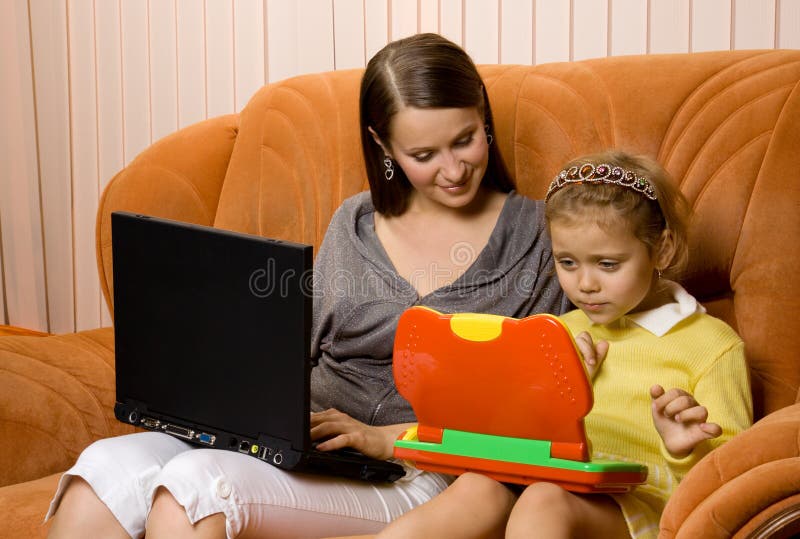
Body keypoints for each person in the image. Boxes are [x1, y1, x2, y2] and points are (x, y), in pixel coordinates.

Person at [45, 33, 570, 539]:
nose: (454, 170)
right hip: (313, 441)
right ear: (382, 144)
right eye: (424, 155)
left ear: (484, 116)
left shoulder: (540, 239)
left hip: (419, 471)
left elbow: (539, 414)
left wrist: (387, 439)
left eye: (465, 140)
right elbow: (292, 353)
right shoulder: (355, 223)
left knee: (197, 486)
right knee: (105, 468)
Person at [375, 150, 753, 539]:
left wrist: (682, 448)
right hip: (544, 483)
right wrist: (551, 398)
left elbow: (736, 475)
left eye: (607, 264)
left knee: (543, 500)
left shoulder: (712, 345)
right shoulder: (553, 332)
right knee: (477, 488)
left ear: (663, 250)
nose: (585, 284)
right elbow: (505, 435)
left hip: (638, 499)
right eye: (568, 262)